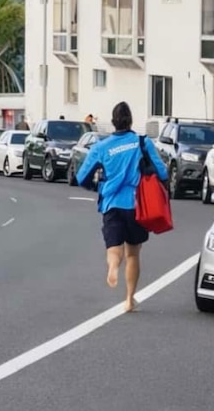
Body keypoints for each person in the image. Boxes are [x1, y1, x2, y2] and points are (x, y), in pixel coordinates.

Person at [76, 101, 169, 313]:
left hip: (111, 203)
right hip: (137, 204)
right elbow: (162, 173)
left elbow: (81, 177)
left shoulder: (101, 147)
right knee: (133, 253)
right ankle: (129, 298)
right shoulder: (142, 142)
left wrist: (96, 187)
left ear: (113, 122)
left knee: (113, 248)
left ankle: (112, 267)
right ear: (131, 121)